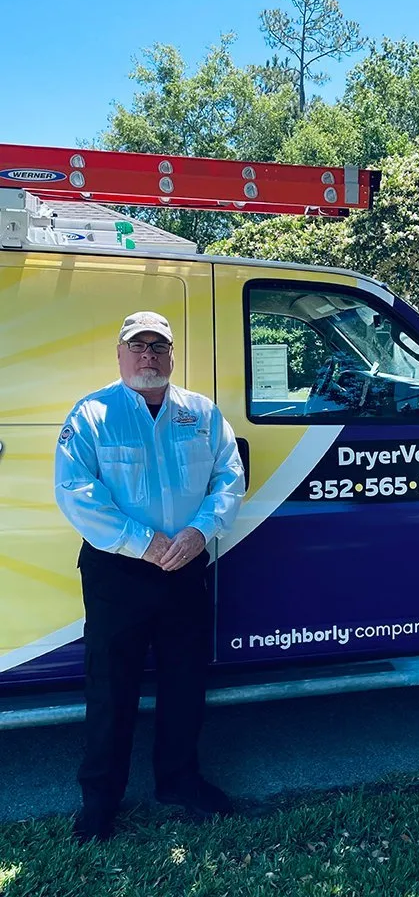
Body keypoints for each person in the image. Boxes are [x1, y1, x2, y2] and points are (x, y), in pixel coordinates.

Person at [55, 310, 245, 843]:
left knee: (186, 683)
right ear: (120, 355)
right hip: (119, 571)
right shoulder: (92, 414)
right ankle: (99, 804)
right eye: (137, 346)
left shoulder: (201, 413)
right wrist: (144, 542)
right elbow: (75, 492)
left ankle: (180, 782)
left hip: (186, 566)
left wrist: (200, 531)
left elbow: (229, 478)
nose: (148, 356)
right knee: (110, 689)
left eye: (158, 346)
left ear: (172, 355)